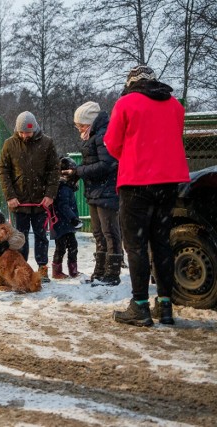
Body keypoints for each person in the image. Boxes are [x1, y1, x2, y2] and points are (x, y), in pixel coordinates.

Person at [104, 65, 190, 327]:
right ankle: (165, 305)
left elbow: (112, 143)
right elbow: (174, 137)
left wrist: (132, 158)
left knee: (136, 245)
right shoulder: (174, 104)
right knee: (162, 243)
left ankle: (140, 305)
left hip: (137, 183)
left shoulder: (126, 103)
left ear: (131, 83)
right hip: (169, 182)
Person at [62, 101, 122, 285]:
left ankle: (112, 273)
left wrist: (79, 171)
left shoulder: (102, 135)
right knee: (99, 232)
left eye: (80, 124)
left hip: (107, 191)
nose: (78, 128)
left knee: (109, 232)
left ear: (89, 122)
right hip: (96, 191)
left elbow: (107, 164)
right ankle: (100, 272)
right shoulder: (94, 135)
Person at [0, 111, 60, 283]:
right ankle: (21, 269)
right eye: (22, 132)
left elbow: (54, 171)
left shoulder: (47, 143)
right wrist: (10, 196)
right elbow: (3, 171)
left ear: (35, 129)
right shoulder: (9, 144)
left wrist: (50, 195)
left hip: (41, 201)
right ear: (17, 130)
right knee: (20, 238)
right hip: (19, 201)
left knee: (41, 236)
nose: (25, 135)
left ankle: (42, 268)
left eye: (28, 132)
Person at [51, 157, 82, 279]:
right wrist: (73, 219)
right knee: (61, 248)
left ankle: (73, 270)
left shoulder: (67, 187)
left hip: (66, 224)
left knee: (72, 246)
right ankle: (57, 271)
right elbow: (63, 205)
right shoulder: (63, 187)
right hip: (62, 223)